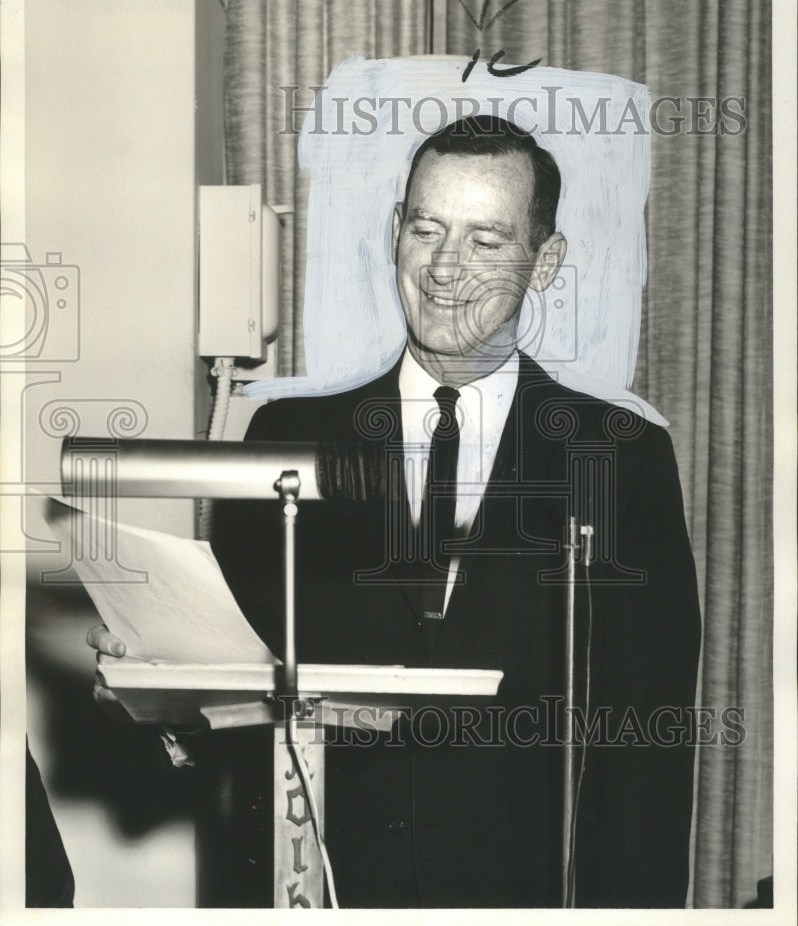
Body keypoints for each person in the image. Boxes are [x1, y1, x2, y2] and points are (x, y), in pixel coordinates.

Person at [90, 116, 701, 909]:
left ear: (545, 262)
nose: (447, 268)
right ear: (394, 234)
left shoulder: (621, 456)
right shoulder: (284, 439)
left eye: (486, 240)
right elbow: (238, 698)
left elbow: (647, 757)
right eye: (427, 228)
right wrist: (158, 682)